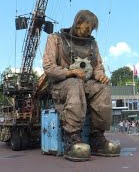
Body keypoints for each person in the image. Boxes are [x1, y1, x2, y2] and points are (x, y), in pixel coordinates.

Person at [43, 10, 120, 161]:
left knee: (103, 88)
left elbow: (97, 67)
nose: (88, 32)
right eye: (87, 28)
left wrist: (100, 75)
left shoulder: (92, 44)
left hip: (86, 84)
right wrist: (69, 72)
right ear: (78, 23)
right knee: (75, 83)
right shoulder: (55, 39)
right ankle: (71, 139)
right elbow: (48, 67)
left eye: (91, 30)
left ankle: (97, 137)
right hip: (61, 85)